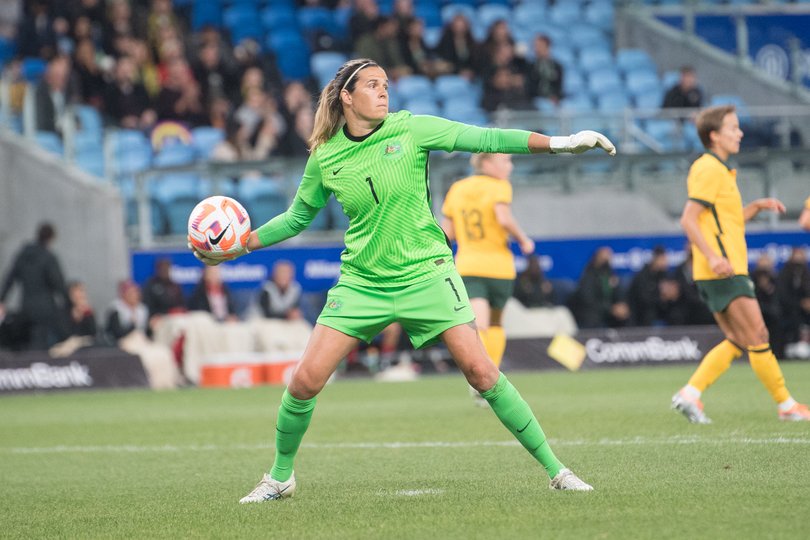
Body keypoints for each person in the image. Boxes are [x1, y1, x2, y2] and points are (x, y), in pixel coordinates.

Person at [189, 58, 616, 501]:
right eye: (372, 85)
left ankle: (557, 470)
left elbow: (485, 137)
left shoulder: (412, 128)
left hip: (426, 273)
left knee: (482, 372)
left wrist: (564, 143)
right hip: (362, 283)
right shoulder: (326, 155)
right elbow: (298, 217)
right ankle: (279, 478)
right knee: (303, 382)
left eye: (386, 84)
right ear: (346, 97)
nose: (383, 91)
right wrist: (240, 246)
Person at [671, 104, 810, 423]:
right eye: (733, 127)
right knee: (759, 335)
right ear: (714, 135)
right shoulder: (708, 168)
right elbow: (689, 219)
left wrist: (755, 207)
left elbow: (723, 220)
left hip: (718, 270)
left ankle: (690, 394)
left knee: (738, 340)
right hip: (723, 270)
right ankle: (786, 405)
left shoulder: (719, 169)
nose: (740, 132)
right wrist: (713, 256)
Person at [441, 152, 535, 405]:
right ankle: (488, 378)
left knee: (478, 324)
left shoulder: (457, 188)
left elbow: (446, 232)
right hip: (499, 267)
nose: (510, 166)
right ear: (486, 162)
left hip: (469, 265)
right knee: (493, 324)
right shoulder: (499, 186)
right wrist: (524, 240)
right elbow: (503, 218)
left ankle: (482, 378)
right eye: (505, 160)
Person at [0, 223, 68, 349]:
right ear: (51, 238)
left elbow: (9, 279)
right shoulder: (48, 257)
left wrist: (2, 299)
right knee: (43, 345)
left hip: (26, 308)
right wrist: (69, 304)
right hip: (45, 310)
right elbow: (58, 283)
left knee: (27, 343)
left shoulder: (23, 255)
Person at [569, 246, 629, 329]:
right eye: (603, 258)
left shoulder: (611, 275)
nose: (606, 261)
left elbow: (617, 294)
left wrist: (620, 305)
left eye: (608, 259)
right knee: (592, 316)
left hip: (609, 312)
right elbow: (589, 300)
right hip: (593, 313)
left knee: (624, 314)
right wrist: (610, 309)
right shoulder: (588, 277)